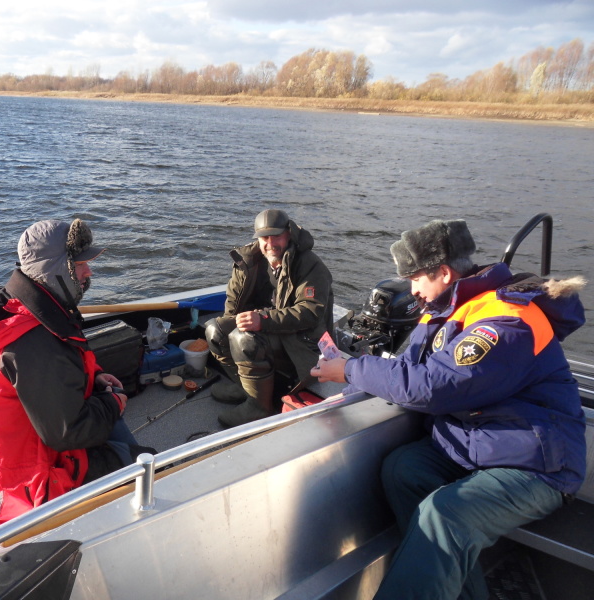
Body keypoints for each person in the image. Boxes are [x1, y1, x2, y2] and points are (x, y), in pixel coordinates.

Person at [311, 218, 587, 599]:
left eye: (415, 279)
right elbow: (410, 367)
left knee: (444, 513)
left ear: (442, 272)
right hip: (480, 443)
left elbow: (435, 386)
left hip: (535, 463)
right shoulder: (446, 308)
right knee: (404, 469)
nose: (412, 291)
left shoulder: (507, 319)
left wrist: (350, 369)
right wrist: (358, 374)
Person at [0, 218, 151, 529]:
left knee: (112, 427)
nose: (89, 272)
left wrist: (97, 376)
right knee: (149, 464)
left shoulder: (15, 307)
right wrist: (115, 401)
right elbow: (70, 432)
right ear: (57, 269)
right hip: (32, 481)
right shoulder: (33, 344)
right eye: (81, 264)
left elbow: (62, 369)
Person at [205, 208, 334, 428]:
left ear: (289, 234)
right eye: (265, 237)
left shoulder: (310, 265)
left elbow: (310, 312)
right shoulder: (248, 261)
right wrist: (234, 324)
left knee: (243, 339)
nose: (270, 243)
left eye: (277, 236)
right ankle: (244, 385)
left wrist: (261, 320)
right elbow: (232, 303)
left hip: (304, 340)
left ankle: (259, 407)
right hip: (269, 326)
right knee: (214, 330)